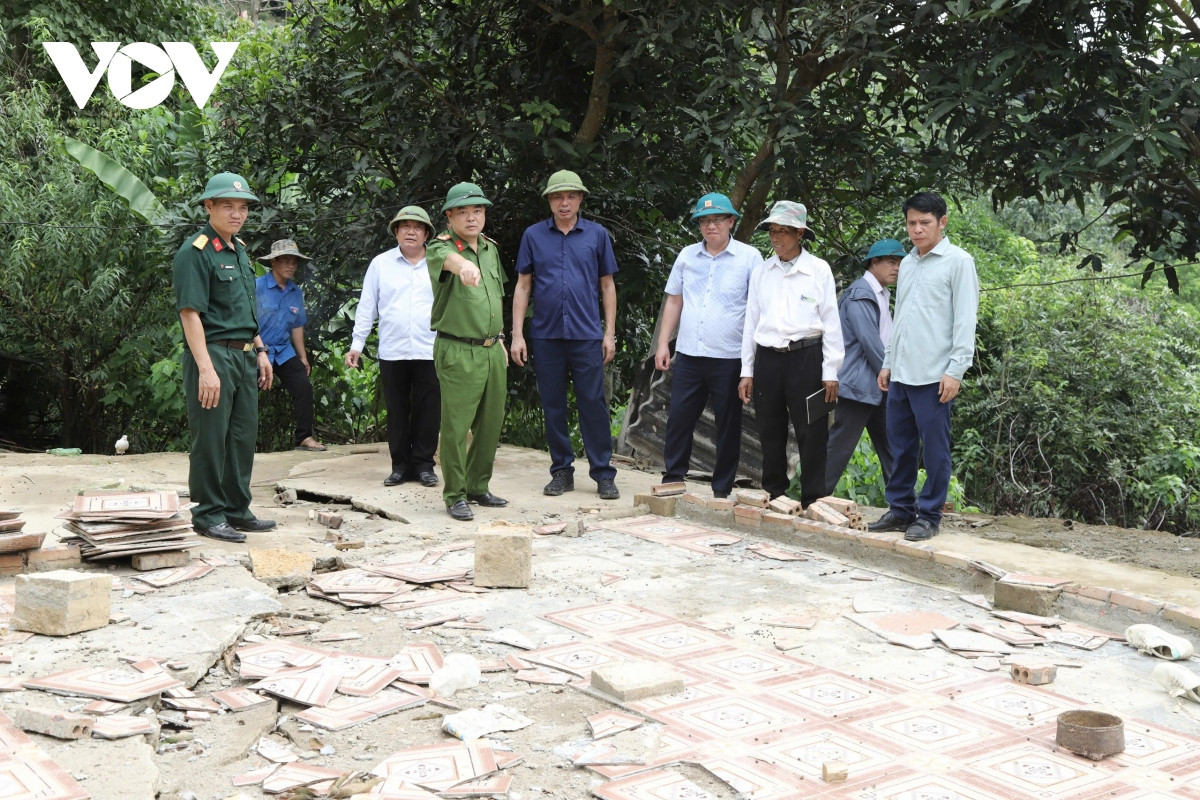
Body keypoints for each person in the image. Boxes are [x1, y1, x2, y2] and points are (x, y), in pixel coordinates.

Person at [172, 172, 276, 543]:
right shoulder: (195, 252)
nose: (237, 213)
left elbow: (246, 310)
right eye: (228, 206)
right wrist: (205, 369)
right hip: (213, 356)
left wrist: (261, 350)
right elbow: (190, 314)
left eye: (243, 207)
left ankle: (236, 509)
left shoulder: (240, 250)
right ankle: (208, 514)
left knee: (242, 438)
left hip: (245, 357)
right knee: (211, 438)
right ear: (209, 206)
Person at [868, 192, 979, 541]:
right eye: (912, 223)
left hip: (934, 375)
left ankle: (929, 515)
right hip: (901, 372)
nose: (917, 230)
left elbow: (964, 320)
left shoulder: (959, 262)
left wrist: (955, 370)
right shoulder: (910, 263)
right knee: (900, 446)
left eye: (925, 223)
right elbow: (900, 319)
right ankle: (901, 510)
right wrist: (887, 363)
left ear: (942, 222)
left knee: (934, 450)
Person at [511, 170, 620, 500]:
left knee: (593, 404)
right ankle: (561, 471)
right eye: (558, 197)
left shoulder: (597, 235)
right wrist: (517, 335)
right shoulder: (533, 236)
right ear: (549, 200)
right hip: (546, 336)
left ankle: (603, 473)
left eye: (571, 196)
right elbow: (523, 285)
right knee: (553, 405)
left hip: (587, 334)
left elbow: (607, 286)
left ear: (580, 199)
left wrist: (609, 333)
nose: (564, 202)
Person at [655, 193, 762, 498]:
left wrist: (749, 364)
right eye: (704, 220)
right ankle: (673, 478)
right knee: (678, 418)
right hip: (689, 354)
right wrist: (664, 344)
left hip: (728, 357)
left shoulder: (750, 258)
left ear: (731, 221)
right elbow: (674, 300)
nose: (710, 225)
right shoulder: (688, 256)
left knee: (728, 424)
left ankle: (722, 488)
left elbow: (757, 309)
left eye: (717, 219)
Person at [738, 201, 843, 506]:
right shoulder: (762, 271)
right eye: (772, 230)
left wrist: (830, 371)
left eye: (783, 231)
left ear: (799, 233)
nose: (776, 238)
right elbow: (751, 322)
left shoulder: (818, 270)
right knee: (769, 428)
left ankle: (814, 499)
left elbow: (832, 324)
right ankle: (775, 493)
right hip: (769, 359)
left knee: (812, 432)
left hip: (806, 357)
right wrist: (747, 370)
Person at [425, 183, 508, 521]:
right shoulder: (439, 247)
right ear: (449, 216)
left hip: (491, 348)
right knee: (457, 428)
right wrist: (464, 268)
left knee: (491, 423)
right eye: (462, 212)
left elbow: (496, 295)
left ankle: (477, 486)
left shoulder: (491, 249)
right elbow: (450, 262)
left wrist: (501, 336)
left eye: (477, 211)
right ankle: (455, 494)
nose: (471, 217)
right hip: (458, 348)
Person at [346, 207, 440, 488]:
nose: (411, 231)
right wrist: (357, 344)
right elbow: (367, 307)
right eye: (404, 226)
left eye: (417, 227)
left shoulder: (438, 264)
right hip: (393, 350)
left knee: (429, 410)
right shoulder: (380, 264)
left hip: (429, 349)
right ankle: (399, 466)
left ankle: (424, 466)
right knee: (397, 410)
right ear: (396, 232)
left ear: (426, 234)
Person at [824, 239, 905, 494]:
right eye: (892, 262)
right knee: (839, 447)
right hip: (859, 386)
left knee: (893, 445)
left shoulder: (879, 293)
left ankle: (902, 506)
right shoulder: (861, 293)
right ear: (874, 262)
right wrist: (892, 374)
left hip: (877, 386)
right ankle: (815, 497)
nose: (897, 268)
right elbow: (871, 342)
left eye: (900, 263)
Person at [256, 239, 326, 453]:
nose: (291, 266)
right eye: (285, 261)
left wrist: (303, 357)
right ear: (274, 262)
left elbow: (297, 326)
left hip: (283, 350)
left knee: (303, 386)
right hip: (256, 350)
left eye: (294, 262)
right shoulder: (256, 286)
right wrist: (260, 351)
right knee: (244, 392)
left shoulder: (295, 292)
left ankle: (304, 437)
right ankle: (238, 441)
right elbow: (245, 320)